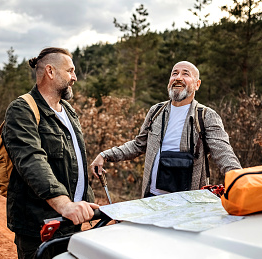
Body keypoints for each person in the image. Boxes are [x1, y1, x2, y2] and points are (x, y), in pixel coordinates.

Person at [2, 47, 98, 259]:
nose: (75, 77)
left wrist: (91, 208)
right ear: (50, 71)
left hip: (71, 218)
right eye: (70, 71)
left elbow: (77, 162)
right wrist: (64, 204)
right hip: (39, 221)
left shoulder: (68, 110)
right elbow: (31, 159)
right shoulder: (22, 109)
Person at [91, 61, 241, 197]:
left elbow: (223, 153)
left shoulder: (206, 116)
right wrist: (105, 155)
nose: (178, 77)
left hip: (189, 202)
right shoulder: (156, 111)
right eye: (174, 73)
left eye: (185, 74)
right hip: (152, 197)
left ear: (197, 84)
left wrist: (240, 180)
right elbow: (138, 145)